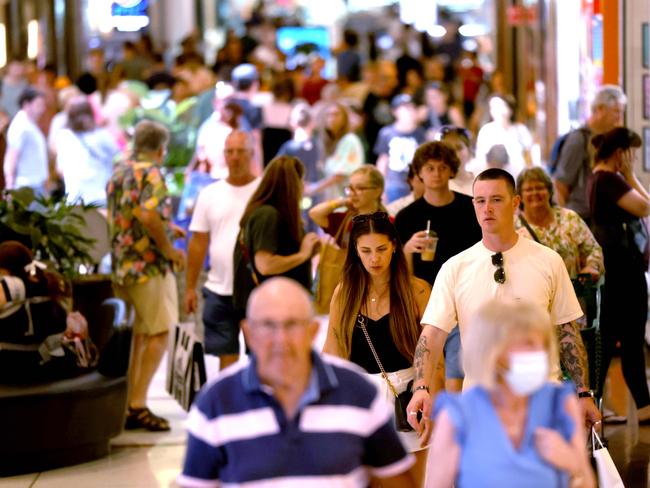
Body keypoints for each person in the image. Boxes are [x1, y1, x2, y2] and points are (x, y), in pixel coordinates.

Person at [407, 168, 600, 444]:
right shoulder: (455, 268)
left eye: (496, 199)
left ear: (515, 203)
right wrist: (421, 387)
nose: (487, 208)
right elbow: (432, 335)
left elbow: (567, 330)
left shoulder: (548, 261)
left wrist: (583, 393)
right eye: (480, 200)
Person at [179, 277, 417, 487]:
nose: (280, 339)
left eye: (292, 325)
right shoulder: (215, 402)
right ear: (248, 334)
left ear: (313, 331)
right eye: (268, 325)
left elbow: (396, 481)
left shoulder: (359, 394)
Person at [427, 299, 595, 488]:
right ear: (492, 351)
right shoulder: (458, 415)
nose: (539, 353)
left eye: (543, 344)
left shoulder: (559, 404)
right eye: (528, 344)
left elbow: (587, 483)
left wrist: (572, 464)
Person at [324, 213, 430, 485]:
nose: (374, 259)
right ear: (355, 252)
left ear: (395, 245)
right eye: (366, 251)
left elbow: (431, 355)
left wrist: (430, 396)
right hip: (360, 396)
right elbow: (333, 346)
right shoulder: (345, 291)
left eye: (381, 249)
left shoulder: (416, 291)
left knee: (410, 480)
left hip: (407, 397)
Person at [107, 120, 186, 432]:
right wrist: (168, 248)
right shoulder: (151, 172)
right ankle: (138, 404)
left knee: (139, 334)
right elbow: (147, 213)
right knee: (160, 332)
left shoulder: (119, 171)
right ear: (161, 150)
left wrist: (167, 228)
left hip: (121, 264)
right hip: (148, 265)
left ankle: (128, 403)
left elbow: (130, 214)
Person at [395, 141, 481, 393]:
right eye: (429, 168)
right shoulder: (407, 217)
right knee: (432, 363)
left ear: (451, 170)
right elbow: (398, 271)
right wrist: (407, 249)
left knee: (457, 361)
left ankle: (451, 411)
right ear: (419, 173)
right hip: (423, 300)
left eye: (442, 167)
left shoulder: (469, 208)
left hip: (464, 296)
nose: (436, 173)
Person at [184, 131, 261, 371]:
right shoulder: (209, 194)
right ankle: (229, 405)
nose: (235, 157)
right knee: (225, 358)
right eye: (230, 151)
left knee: (259, 356)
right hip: (218, 289)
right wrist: (189, 287)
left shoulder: (264, 191)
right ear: (223, 156)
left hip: (256, 288)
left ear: (251, 154)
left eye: (241, 151)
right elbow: (198, 243)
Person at [589, 127, 650, 424]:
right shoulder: (608, 179)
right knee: (625, 339)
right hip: (622, 273)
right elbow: (645, 206)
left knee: (621, 339)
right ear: (620, 154)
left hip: (618, 271)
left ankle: (642, 406)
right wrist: (631, 175)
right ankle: (604, 406)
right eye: (632, 154)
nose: (634, 159)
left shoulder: (601, 179)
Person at [232, 155, 320, 317]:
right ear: (292, 184)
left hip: (278, 305)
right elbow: (265, 264)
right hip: (270, 309)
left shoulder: (275, 214)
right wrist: (303, 255)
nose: (303, 187)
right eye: (301, 181)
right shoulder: (268, 215)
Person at [0, 241, 90, 383]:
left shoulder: (10, 284)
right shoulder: (43, 283)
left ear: (5, 270)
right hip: (42, 364)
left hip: (11, 366)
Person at [515, 167, 603, 282]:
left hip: (573, 295)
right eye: (528, 189)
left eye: (540, 188)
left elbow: (593, 249)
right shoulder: (512, 228)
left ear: (550, 191)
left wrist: (592, 266)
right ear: (519, 196)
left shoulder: (569, 218)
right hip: (532, 298)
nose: (535, 193)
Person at [554, 85, 626, 223]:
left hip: (600, 221)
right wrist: (566, 226)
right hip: (581, 220)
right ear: (600, 109)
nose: (620, 118)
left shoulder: (606, 140)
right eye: (616, 112)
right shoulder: (578, 139)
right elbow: (561, 185)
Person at [55, 97, 120, 206]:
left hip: (74, 200)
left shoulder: (63, 136)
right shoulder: (102, 136)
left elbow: (60, 169)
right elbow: (118, 159)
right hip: (99, 198)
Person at [310, 165, 386, 248]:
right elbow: (315, 213)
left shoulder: (390, 224)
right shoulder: (344, 221)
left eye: (359, 188)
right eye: (350, 188)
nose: (352, 193)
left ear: (378, 191)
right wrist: (342, 202)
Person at [375, 94, 427, 202]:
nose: (409, 111)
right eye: (404, 108)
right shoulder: (386, 133)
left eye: (412, 107)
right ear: (395, 112)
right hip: (394, 185)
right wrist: (381, 188)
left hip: (416, 184)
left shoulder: (422, 133)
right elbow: (383, 160)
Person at [475, 94, 534, 177]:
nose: (498, 111)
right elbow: (481, 159)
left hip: (519, 176)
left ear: (510, 109)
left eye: (501, 106)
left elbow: (528, 156)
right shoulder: (486, 131)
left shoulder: (521, 130)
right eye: (493, 107)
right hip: (495, 177)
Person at [317, 102, 365, 200]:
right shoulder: (329, 143)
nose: (332, 118)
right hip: (332, 199)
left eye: (336, 114)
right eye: (328, 115)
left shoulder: (350, 140)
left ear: (345, 118)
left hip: (346, 201)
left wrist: (314, 188)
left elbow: (339, 175)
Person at [4, 88, 48, 192]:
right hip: (26, 185)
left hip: (35, 184)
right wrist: (10, 185)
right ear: (26, 104)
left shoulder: (30, 124)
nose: (42, 109)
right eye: (38, 105)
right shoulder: (20, 126)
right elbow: (11, 157)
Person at [438, 125, 474, 196]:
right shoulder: (438, 187)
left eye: (459, 148)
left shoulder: (482, 182)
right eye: (448, 149)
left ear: (469, 150)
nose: (454, 154)